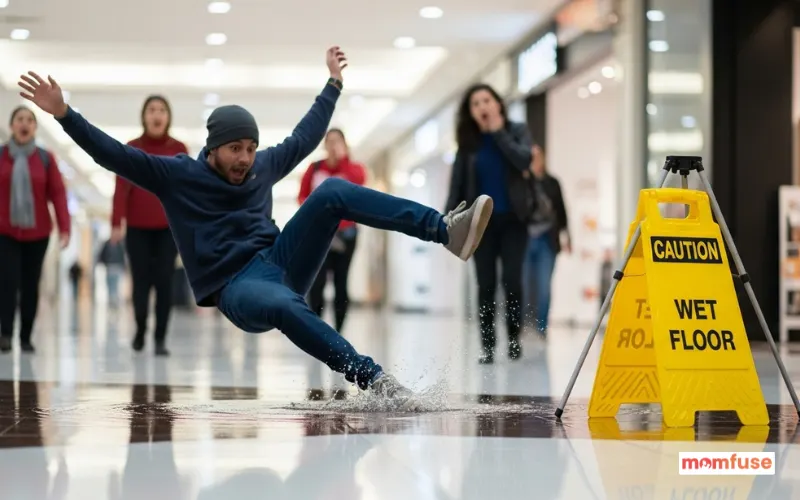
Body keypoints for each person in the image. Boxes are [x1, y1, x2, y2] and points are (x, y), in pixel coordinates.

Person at [17, 46, 494, 409]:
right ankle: (378, 383)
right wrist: (64, 115)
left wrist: (332, 85)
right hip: (236, 286)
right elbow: (113, 155)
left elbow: (305, 138)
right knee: (282, 303)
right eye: (235, 149)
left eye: (250, 148)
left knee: (329, 191)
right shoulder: (177, 175)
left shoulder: (263, 166)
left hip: (282, 260)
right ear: (214, 147)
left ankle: (444, 230)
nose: (245, 159)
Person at [446, 83, 533, 364]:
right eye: (475, 104)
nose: (482, 107)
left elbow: (524, 160)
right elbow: (457, 185)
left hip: (514, 221)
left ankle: (513, 338)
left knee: (512, 280)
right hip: (479, 224)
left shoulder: (517, 131)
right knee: (484, 284)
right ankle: (487, 344)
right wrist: (446, 221)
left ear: (498, 104)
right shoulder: (468, 143)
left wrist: (498, 132)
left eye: (486, 100)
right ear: (469, 112)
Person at [111, 95, 188, 355]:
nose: (157, 115)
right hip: (137, 228)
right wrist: (116, 222)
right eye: (152, 110)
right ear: (144, 116)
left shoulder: (180, 149)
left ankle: (160, 338)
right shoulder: (131, 148)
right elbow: (121, 189)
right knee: (141, 281)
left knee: (165, 282)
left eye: (162, 110)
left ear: (168, 117)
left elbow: (186, 191)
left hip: (169, 230)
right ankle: (141, 329)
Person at [0, 106, 70, 354]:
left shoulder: (44, 158)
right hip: (5, 231)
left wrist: (65, 227)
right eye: (20, 119)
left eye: (30, 120)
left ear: (34, 128)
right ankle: (5, 334)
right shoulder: (1, 156)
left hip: (38, 233)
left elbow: (58, 194)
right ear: (12, 126)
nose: (25, 123)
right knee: (7, 283)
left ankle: (26, 336)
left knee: (30, 285)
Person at [298, 128, 366, 332]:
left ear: (345, 145)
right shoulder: (315, 168)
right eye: (330, 141)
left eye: (338, 141)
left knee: (341, 281)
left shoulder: (353, 168)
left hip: (346, 234)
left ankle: (339, 331)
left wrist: (344, 161)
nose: (334, 145)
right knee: (316, 281)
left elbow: (360, 185)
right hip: (320, 233)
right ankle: (316, 327)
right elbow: (302, 196)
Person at [522, 145, 569, 337]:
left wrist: (567, 236)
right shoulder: (522, 183)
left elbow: (562, 211)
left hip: (547, 240)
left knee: (544, 286)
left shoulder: (553, 183)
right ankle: (521, 325)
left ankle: (542, 327)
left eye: (537, 158)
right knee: (522, 285)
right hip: (525, 240)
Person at [98, 237, 126, 308]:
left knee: (116, 286)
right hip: (109, 267)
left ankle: (115, 302)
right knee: (110, 286)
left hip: (117, 267)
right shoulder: (106, 244)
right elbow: (102, 255)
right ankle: (111, 301)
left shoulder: (120, 245)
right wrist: (103, 263)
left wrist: (123, 266)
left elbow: (122, 256)